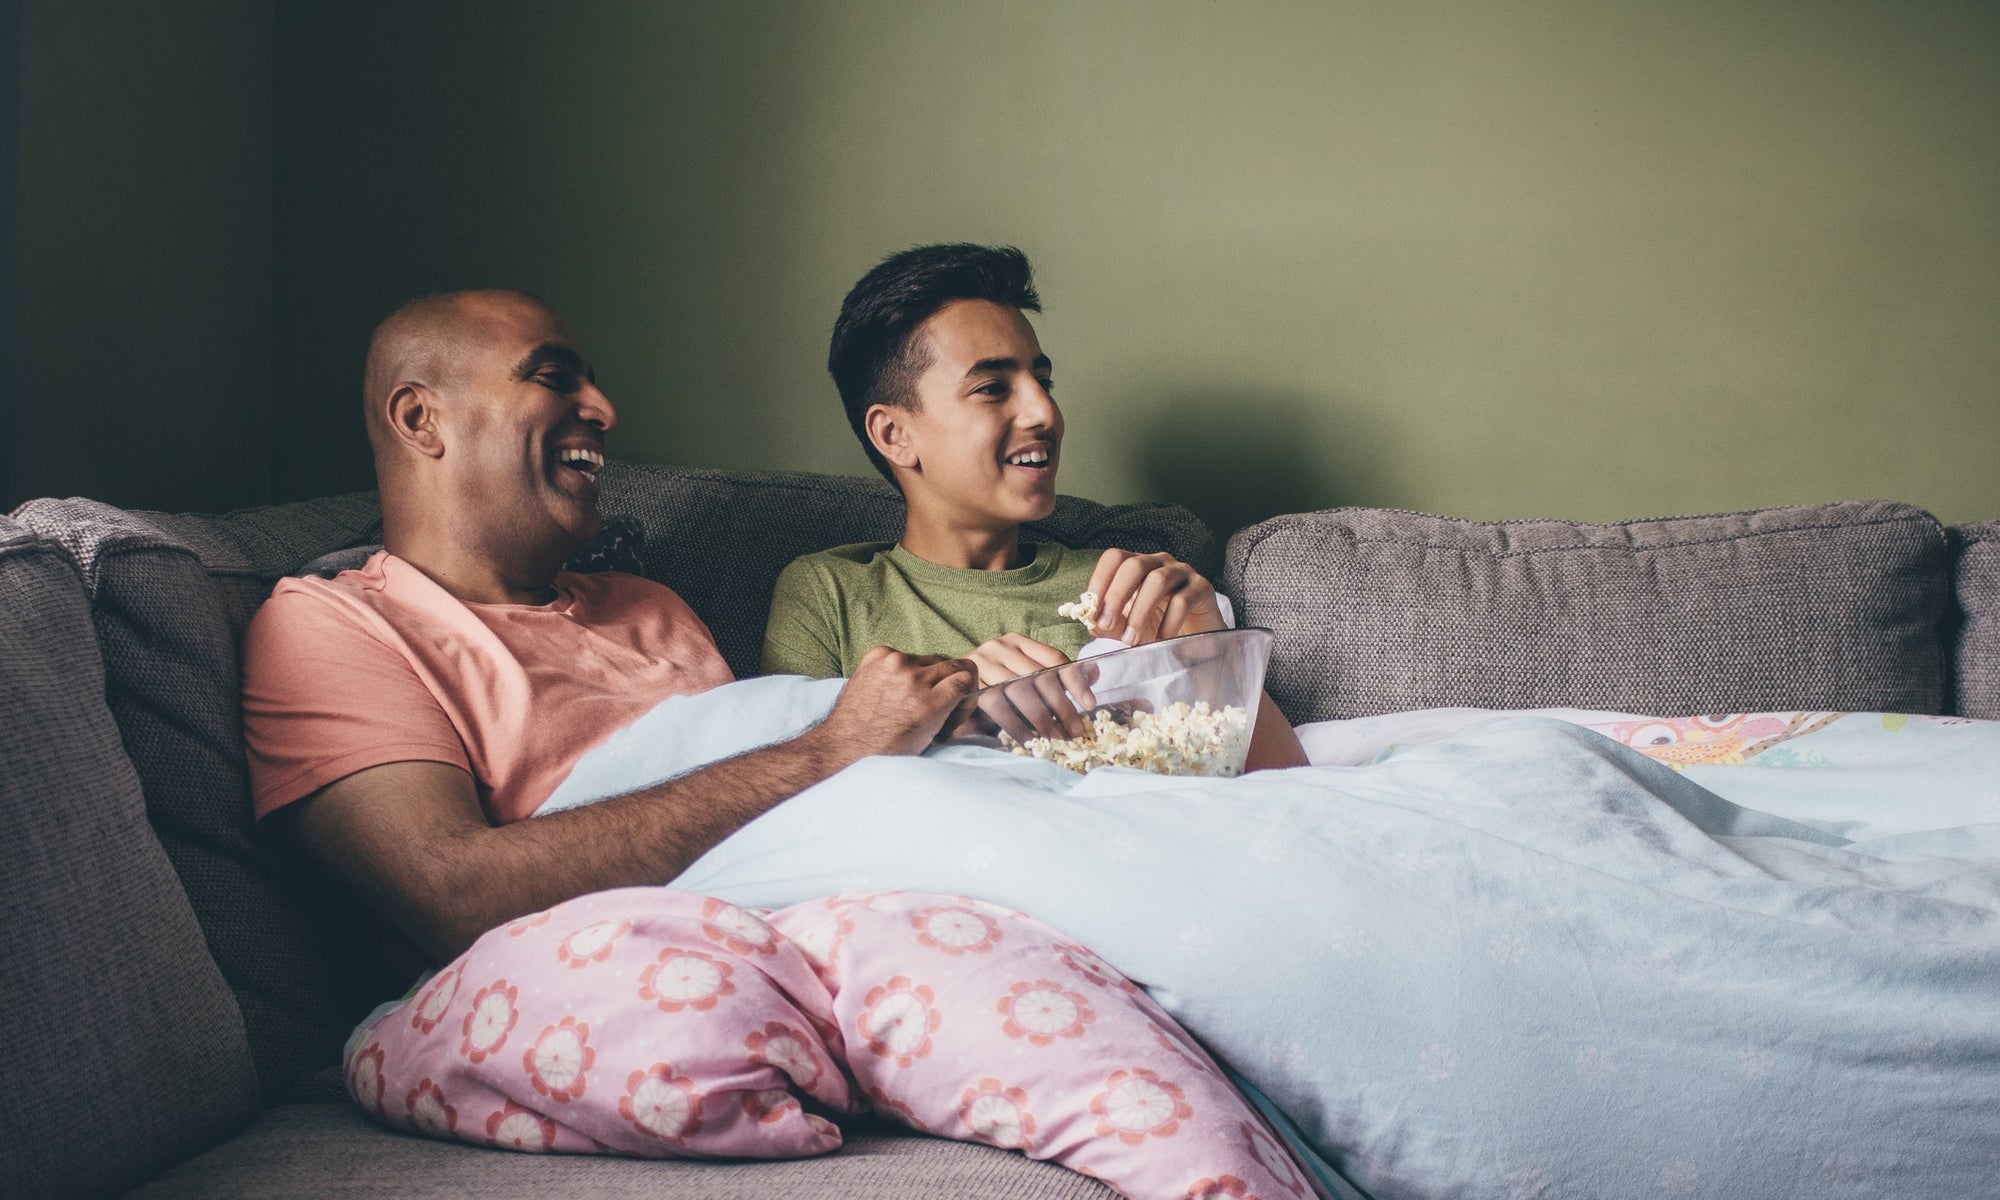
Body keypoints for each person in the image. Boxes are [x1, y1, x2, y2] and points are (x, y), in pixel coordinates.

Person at [240, 288, 981, 962]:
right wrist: (833, 748)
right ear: (420, 419)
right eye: (554, 377)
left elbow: (768, 835)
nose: (603, 409)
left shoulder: (648, 605)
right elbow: (450, 898)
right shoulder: (332, 626)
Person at [761, 243, 1307, 769]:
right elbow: (788, 785)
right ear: (894, 434)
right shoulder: (829, 593)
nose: (1044, 411)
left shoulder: (1123, 591)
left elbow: (1284, 788)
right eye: (993, 387)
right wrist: (958, 710)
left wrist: (1209, 646)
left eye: (1043, 382)